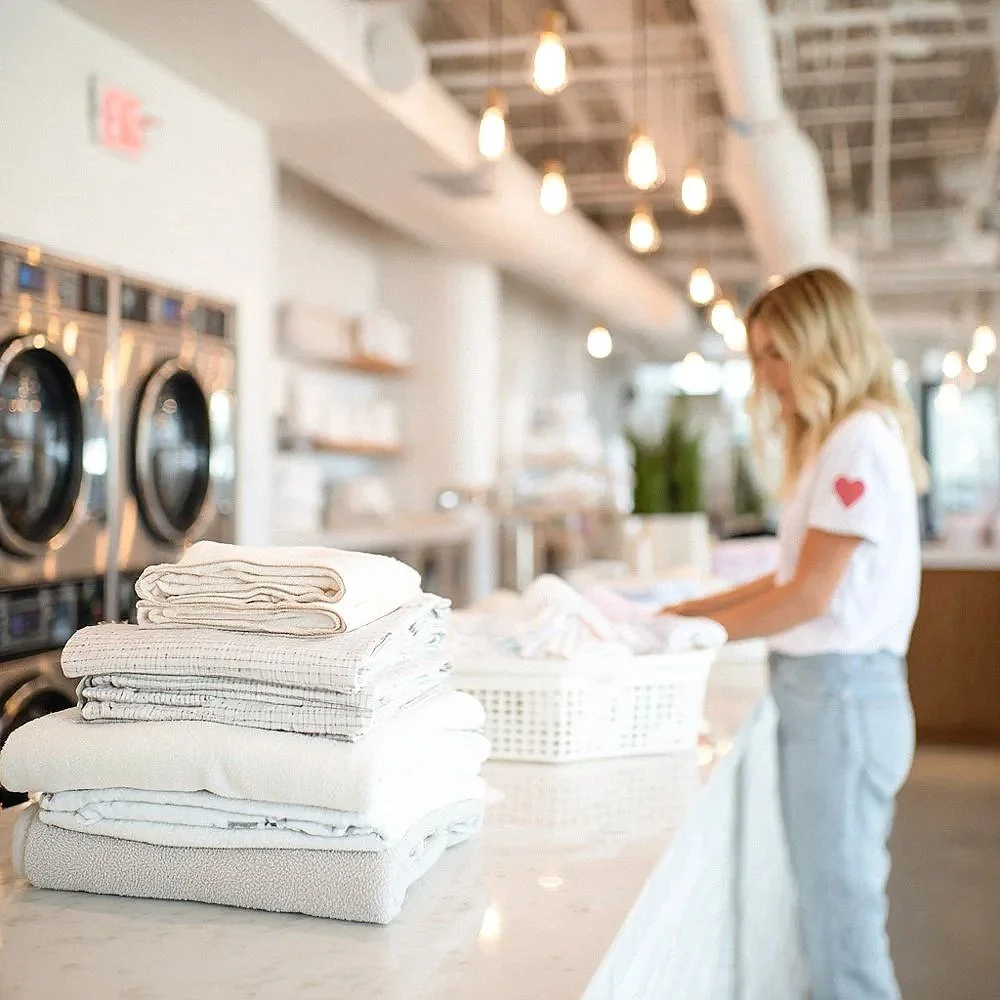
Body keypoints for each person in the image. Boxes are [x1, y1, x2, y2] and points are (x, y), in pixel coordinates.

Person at [663, 268, 927, 1000]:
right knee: (830, 923)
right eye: (760, 356)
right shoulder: (840, 440)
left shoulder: (858, 442)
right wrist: (685, 617)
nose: (767, 375)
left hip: (842, 702)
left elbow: (811, 596)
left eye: (778, 353)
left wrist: (694, 635)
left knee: (843, 939)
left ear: (824, 347)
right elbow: (790, 579)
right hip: (826, 702)